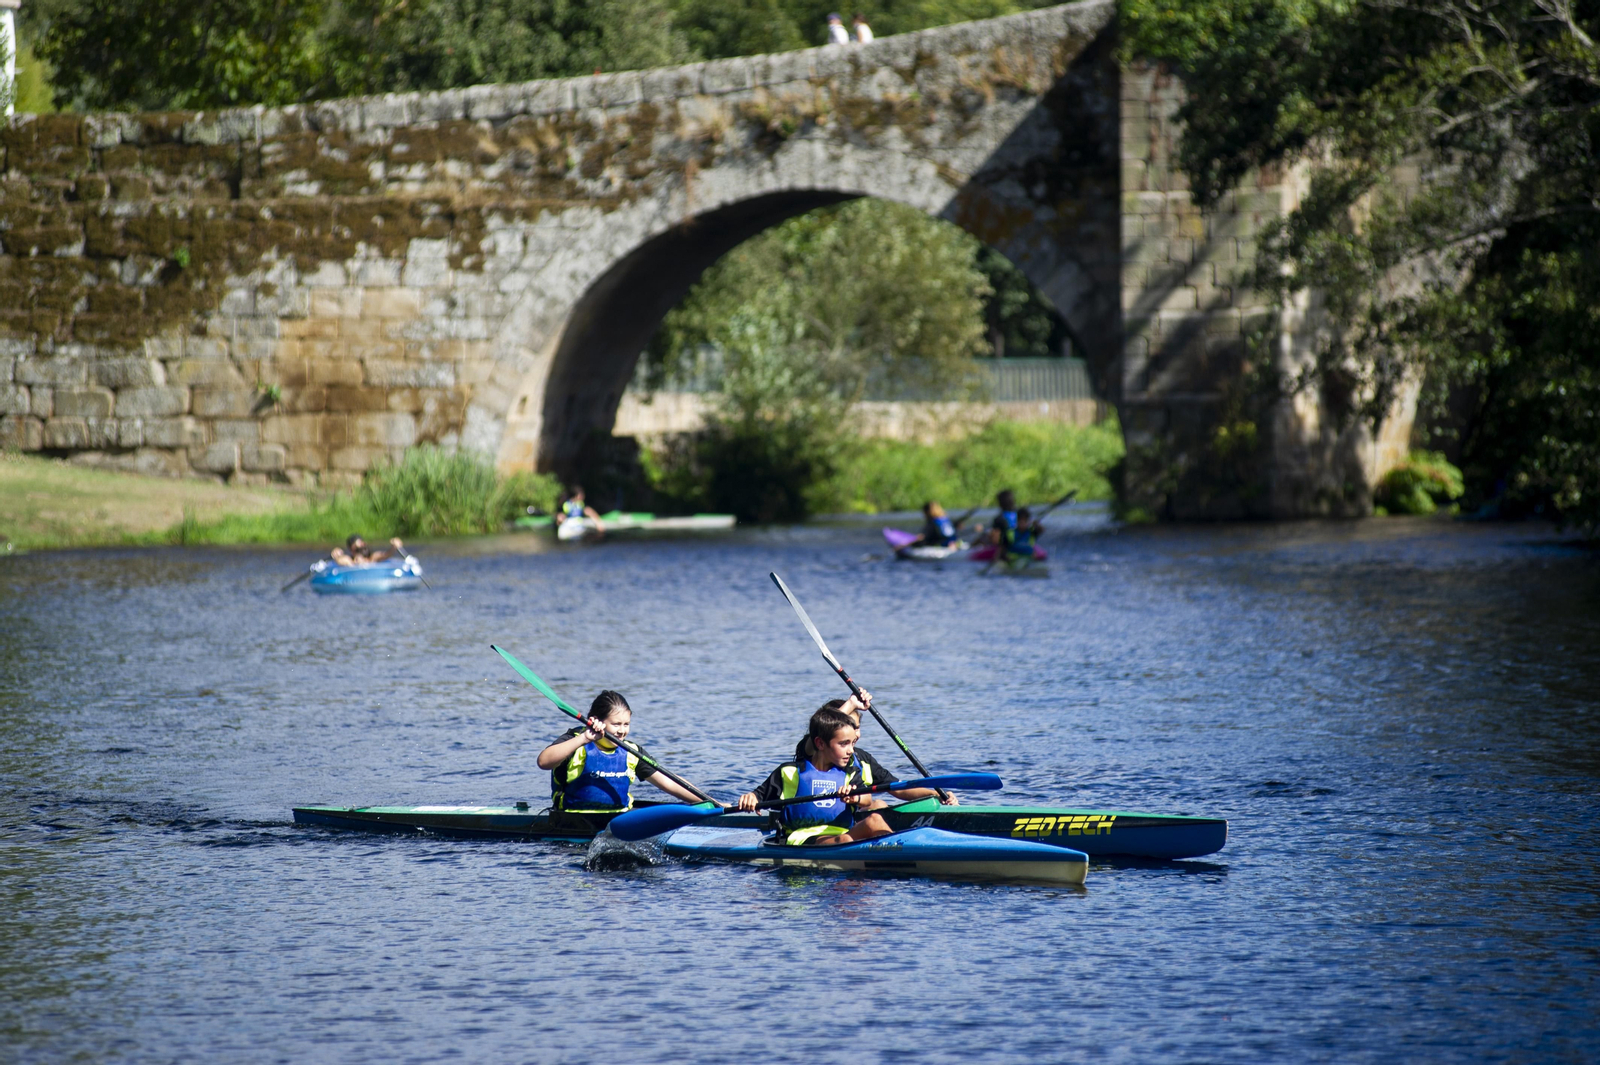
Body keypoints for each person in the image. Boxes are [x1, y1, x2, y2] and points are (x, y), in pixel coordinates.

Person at [737, 705, 894, 845]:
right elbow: (757, 796)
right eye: (843, 744)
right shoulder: (789, 773)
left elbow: (867, 800)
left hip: (843, 833)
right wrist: (750, 798)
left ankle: (902, 853)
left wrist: (855, 797)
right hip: (802, 838)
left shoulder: (850, 773)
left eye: (852, 743)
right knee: (845, 840)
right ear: (820, 744)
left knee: (875, 820)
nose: (851, 750)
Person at [536, 690, 703, 815]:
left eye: (626, 724)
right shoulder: (575, 741)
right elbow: (543, 762)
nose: (622, 731)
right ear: (596, 721)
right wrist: (585, 738)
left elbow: (670, 783)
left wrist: (710, 803)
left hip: (619, 824)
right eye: (616, 724)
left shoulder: (631, 752)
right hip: (569, 825)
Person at [792, 692, 958, 806]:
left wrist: (936, 795)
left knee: (878, 805)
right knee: (878, 804)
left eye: (856, 727)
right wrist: (850, 704)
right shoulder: (813, 750)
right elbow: (821, 731)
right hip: (821, 826)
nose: (854, 734)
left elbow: (899, 789)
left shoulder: (862, 759)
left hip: (852, 823)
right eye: (848, 728)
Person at [330, 535, 405, 567]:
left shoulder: (372, 558)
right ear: (351, 550)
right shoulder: (350, 560)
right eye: (357, 546)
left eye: (362, 543)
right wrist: (337, 555)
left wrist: (394, 547)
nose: (362, 545)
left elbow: (386, 554)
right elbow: (341, 560)